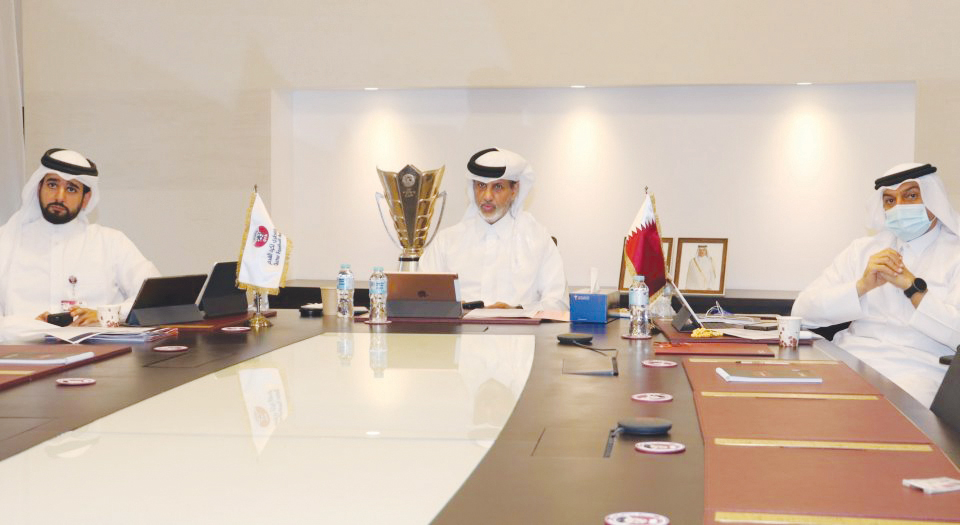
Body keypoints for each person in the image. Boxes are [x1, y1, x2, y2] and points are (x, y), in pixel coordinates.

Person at [792, 163, 960, 407]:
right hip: (850, 361)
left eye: (911, 196)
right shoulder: (863, 250)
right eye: (890, 201)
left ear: (934, 200)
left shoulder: (956, 256)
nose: (899, 207)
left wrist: (913, 289)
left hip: (917, 372)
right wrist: (861, 286)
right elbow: (803, 312)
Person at [0, 148, 160, 327]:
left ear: (86, 198)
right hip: (23, 350)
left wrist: (107, 314)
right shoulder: (6, 242)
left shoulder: (110, 243)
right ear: (38, 188)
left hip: (100, 350)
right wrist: (26, 324)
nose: (59, 197)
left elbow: (155, 297)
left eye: (71, 189)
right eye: (52, 185)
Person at [419, 148, 568, 311]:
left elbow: (559, 303)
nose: (487, 196)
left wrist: (516, 311)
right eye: (481, 185)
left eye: (497, 187)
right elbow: (420, 297)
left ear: (514, 190)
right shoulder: (446, 241)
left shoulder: (537, 239)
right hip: (461, 334)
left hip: (518, 335)